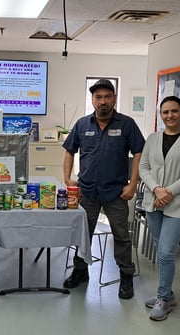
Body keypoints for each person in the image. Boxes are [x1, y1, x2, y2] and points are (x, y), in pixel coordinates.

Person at [62, 79, 145, 299]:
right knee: (82, 233)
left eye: (107, 97)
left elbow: (139, 153)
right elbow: (69, 150)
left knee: (121, 235)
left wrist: (133, 183)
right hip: (87, 190)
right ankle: (80, 271)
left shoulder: (126, 124)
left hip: (116, 192)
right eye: (98, 97)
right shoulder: (82, 124)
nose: (103, 101)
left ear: (114, 99)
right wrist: (67, 177)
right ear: (92, 100)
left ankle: (126, 276)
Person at [138, 95, 180, 321]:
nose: (170, 116)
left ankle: (163, 298)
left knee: (166, 251)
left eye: (174, 111)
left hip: (178, 203)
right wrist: (157, 189)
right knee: (160, 248)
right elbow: (143, 167)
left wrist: (169, 192)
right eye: (165, 112)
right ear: (160, 114)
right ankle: (168, 293)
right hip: (153, 201)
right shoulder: (153, 138)